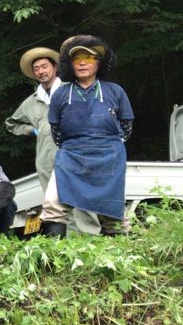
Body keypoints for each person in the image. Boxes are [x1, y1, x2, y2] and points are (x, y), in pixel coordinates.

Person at [40, 36, 133, 237]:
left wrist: (107, 146)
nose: (83, 62)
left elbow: (126, 127)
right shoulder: (61, 94)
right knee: (53, 204)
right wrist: (77, 145)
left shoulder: (115, 91)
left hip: (109, 157)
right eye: (77, 58)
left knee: (112, 211)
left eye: (89, 58)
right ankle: (54, 260)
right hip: (71, 155)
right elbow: (56, 131)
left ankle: (119, 259)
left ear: (98, 63)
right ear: (70, 64)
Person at [6, 47, 61, 191]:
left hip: (74, 154)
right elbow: (11, 124)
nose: (41, 71)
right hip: (46, 160)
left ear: (55, 67)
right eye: (36, 69)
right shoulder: (30, 102)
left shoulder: (70, 91)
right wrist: (32, 130)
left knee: (81, 202)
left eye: (44, 66)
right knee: (54, 204)